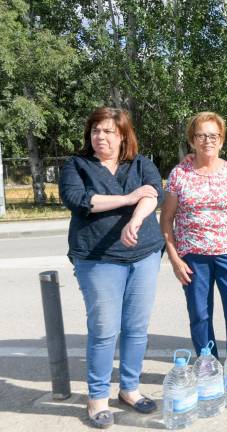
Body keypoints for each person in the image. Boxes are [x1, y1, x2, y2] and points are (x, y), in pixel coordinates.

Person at [59, 107, 164, 428]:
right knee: (105, 330)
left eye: (107, 132)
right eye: (95, 131)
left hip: (143, 254)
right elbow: (81, 200)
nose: (100, 137)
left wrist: (135, 218)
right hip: (97, 257)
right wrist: (127, 198)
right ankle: (97, 398)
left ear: (122, 136)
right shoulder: (76, 165)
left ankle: (129, 389)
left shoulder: (140, 163)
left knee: (136, 328)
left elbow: (153, 194)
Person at [160, 112, 227, 359]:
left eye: (214, 135)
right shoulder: (179, 175)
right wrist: (175, 259)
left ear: (222, 140)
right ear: (192, 140)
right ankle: (207, 363)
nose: (208, 141)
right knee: (200, 314)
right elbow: (166, 218)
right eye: (201, 135)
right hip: (193, 258)